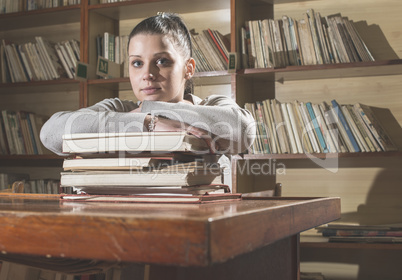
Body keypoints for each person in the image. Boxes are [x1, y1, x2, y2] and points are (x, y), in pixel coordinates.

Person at [40, 12, 255, 156]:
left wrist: (147, 111)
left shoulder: (212, 105)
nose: (147, 74)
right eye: (137, 63)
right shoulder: (119, 109)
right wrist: (147, 122)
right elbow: (50, 133)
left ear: (188, 68)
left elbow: (243, 131)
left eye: (161, 61)